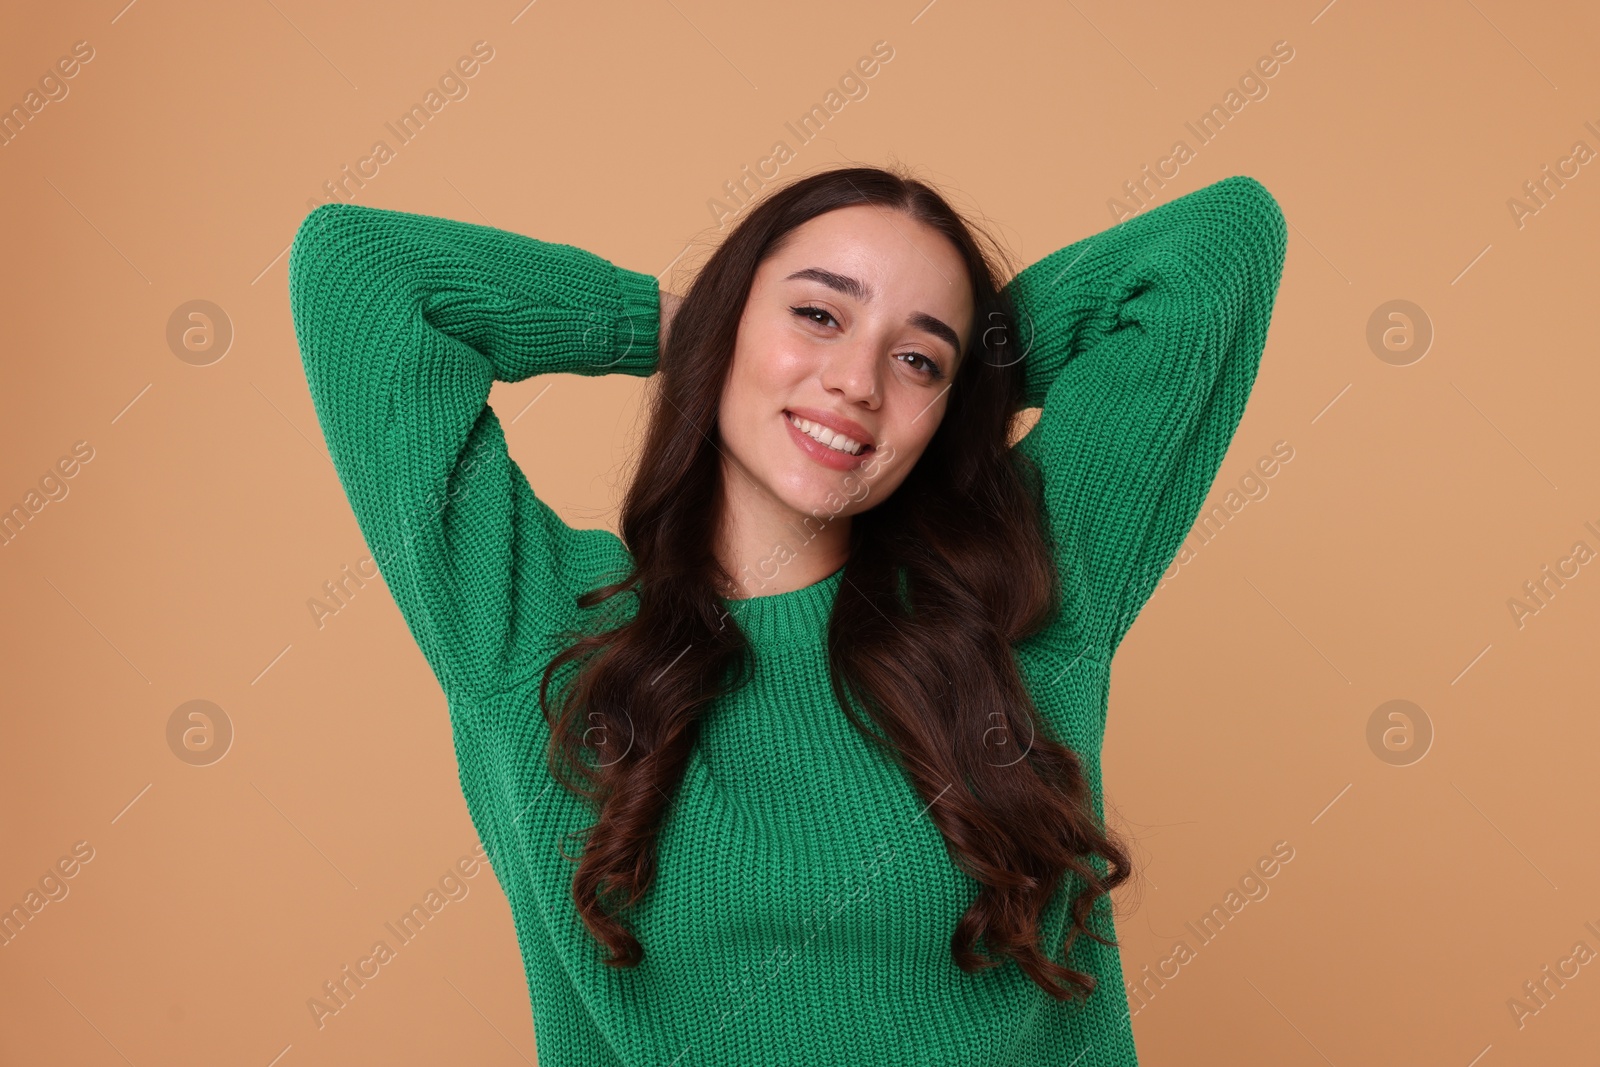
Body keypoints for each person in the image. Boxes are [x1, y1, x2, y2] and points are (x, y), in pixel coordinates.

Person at [287, 164, 1287, 1066]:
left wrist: (965, 390)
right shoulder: (536, 622)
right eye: (817, 315)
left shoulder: (1019, 591)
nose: (855, 381)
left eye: (917, 359)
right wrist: (673, 328)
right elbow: (360, 272)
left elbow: (1219, 246)